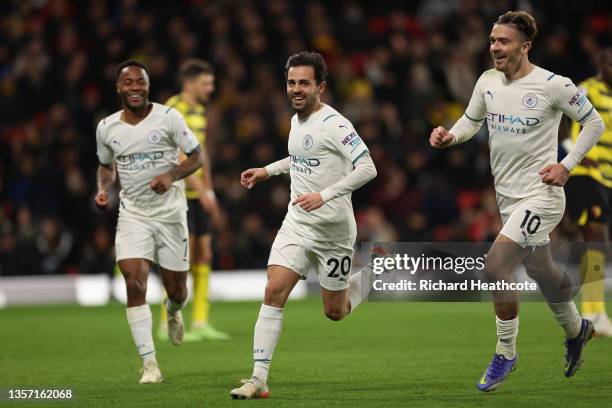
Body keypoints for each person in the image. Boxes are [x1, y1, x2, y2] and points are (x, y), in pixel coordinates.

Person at [430, 11, 605, 392]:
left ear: (525, 47)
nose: (495, 47)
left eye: (503, 41)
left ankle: (505, 351)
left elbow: (595, 123)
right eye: (492, 40)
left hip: (542, 195)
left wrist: (566, 166)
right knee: (543, 272)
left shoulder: (553, 85)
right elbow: (470, 120)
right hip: (507, 197)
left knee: (495, 267)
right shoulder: (487, 81)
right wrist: (450, 136)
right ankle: (577, 330)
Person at [230, 51, 377, 399]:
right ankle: (259, 379)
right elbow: (300, 157)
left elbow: (368, 167)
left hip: (334, 233)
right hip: (297, 224)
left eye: (304, 83)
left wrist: (325, 195)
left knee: (335, 312)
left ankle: (371, 277)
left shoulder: (336, 124)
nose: (296, 89)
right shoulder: (296, 121)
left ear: (320, 87)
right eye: (291, 82)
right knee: (274, 290)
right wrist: (268, 170)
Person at [95, 60, 204, 384]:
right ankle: (150, 364)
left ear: (148, 85)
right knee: (134, 281)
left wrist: (171, 175)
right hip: (134, 215)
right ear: (119, 88)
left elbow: (197, 156)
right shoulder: (107, 128)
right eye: (128, 83)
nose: (134, 88)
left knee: (177, 290)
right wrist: (103, 189)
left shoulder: (168, 118)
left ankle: (172, 311)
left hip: (170, 215)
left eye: (140, 82)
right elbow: (105, 166)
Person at [157, 59, 229, 341]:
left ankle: (200, 322)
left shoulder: (200, 111)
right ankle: (167, 322)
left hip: (198, 194)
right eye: (206, 83)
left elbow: (202, 154)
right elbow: (176, 156)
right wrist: (201, 190)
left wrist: (209, 191)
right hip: (178, 194)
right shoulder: (174, 108)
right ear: (189, 83)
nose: (211, 88)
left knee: (204, 254)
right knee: (180, 259)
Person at [563, 48, 612, 337]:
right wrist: (575, 150)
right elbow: (567, 118)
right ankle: (594, 312)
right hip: (584, 171)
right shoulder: (587, 88)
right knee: (596, 236)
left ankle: (591, 312)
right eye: (609, 64)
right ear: (600, 65)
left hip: (606, 175)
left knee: (595, 240)